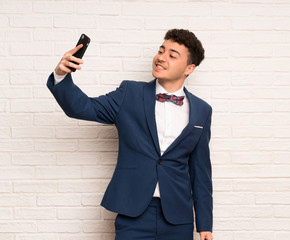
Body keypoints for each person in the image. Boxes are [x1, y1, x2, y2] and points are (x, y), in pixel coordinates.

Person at [47, 29, 213, 240]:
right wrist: (61, 75)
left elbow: (201, 172)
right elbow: (82, 108)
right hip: (133, 214)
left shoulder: (202, 111)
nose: (161, 57)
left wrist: (205, 225)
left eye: (172, 55)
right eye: (161, 50)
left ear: (189, 68)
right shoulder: (129, 94)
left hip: (178, 218)